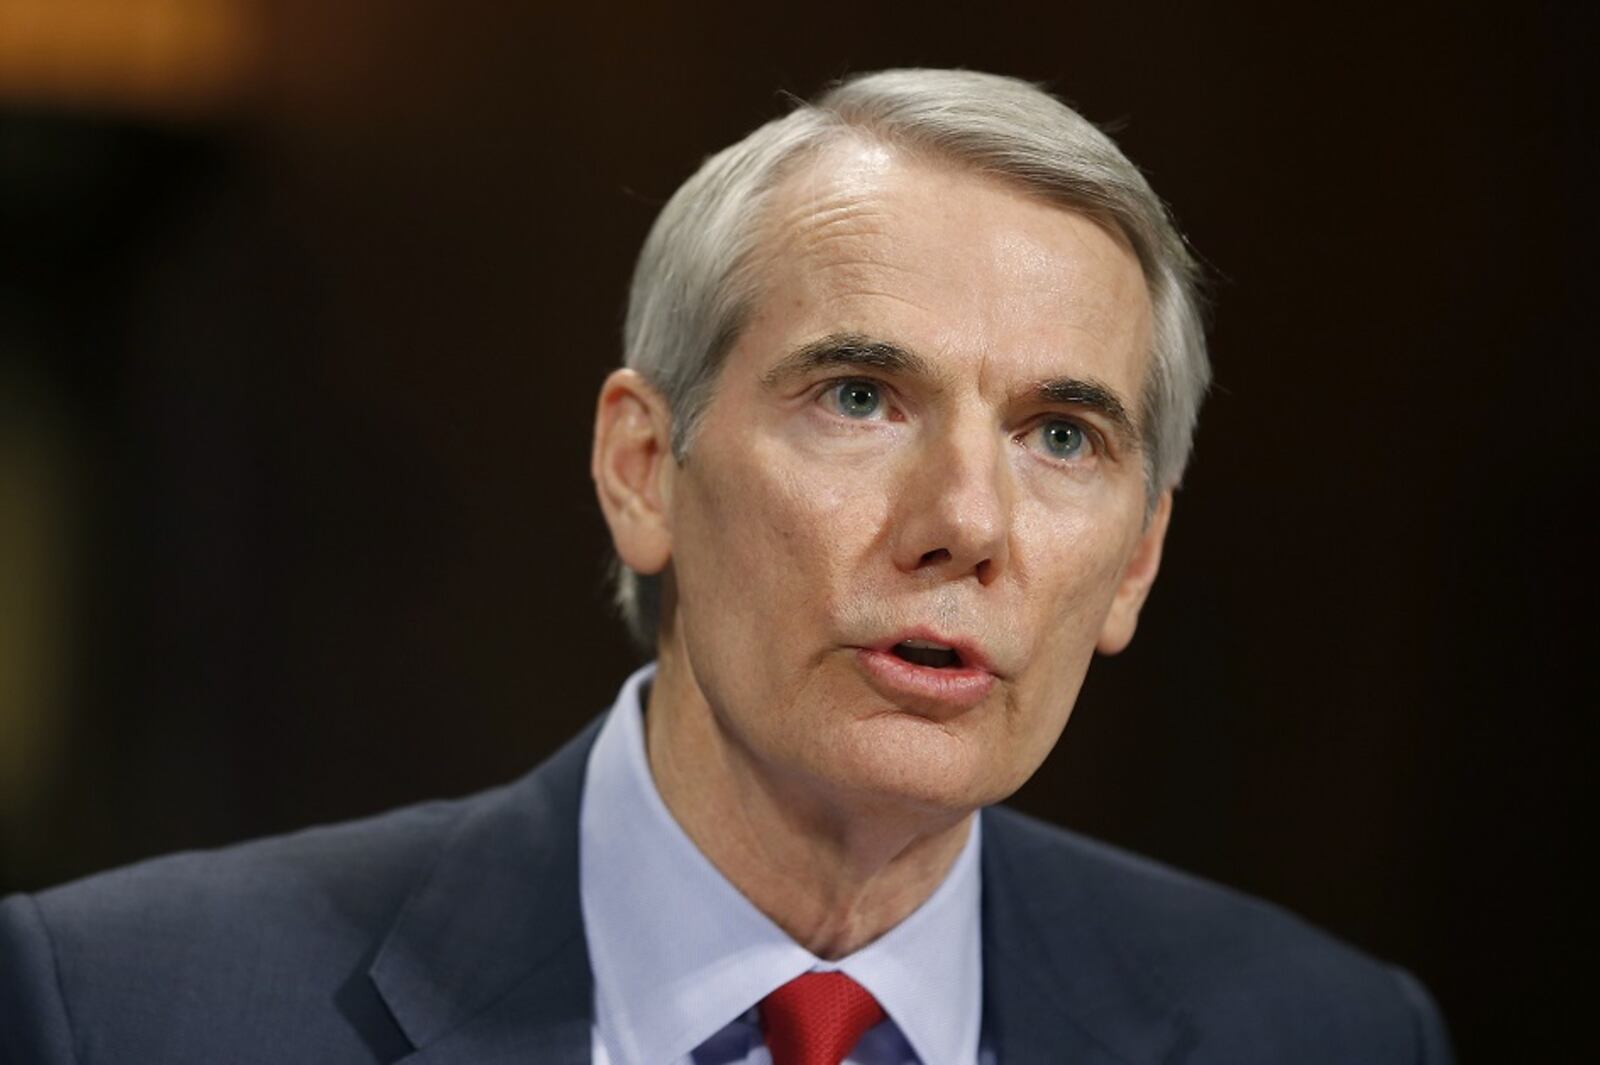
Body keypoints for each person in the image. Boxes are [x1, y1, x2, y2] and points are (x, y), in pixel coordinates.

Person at [0, 69, 1452, 1064]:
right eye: (862, 397)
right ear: (644, 468)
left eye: (1061, 434)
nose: (968, 518)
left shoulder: (1328, 1032)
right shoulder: (131, 1006)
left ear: (1135, 561)